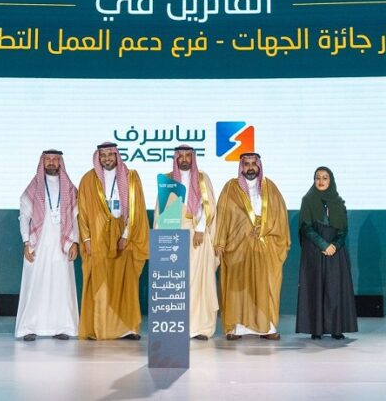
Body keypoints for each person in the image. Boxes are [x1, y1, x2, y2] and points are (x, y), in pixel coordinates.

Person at [215, 153, 290, 340]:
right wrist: (220, 242)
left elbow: (280, 216)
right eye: (246, 164)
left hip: (265, 246)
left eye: (253, 164)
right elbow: (222, 216)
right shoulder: (231, 188)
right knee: (237, 288)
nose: (250, 168)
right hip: (237, 247)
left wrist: (264, 228)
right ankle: (236, 329)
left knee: (266, 287)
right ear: (241, 167)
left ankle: (267, 328)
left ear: (259, 166)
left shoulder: (270, 188)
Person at [77, 142, 149, 340]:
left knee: (125, 283)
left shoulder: (131, 178)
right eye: (103, 155)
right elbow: (82, 212)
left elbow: (136, 209)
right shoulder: (88, 179)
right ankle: (100, 328)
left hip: (124, 237)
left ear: (117, 155)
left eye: (110, 154)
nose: (107, 158)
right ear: (98, 157)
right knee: (100, 283)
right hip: (98, 237)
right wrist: (86, 238)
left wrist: (126, 235)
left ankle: (127, 329)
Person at [154, 145, 219, 340]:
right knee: (175, 282)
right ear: (175, 158)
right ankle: (175, 325)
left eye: (187, 156)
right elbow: (161, 211)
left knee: (199, 283)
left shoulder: (202, 178)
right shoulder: (167, 180)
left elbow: (209, 207)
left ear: (193, 158)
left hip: (197, 235)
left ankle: (199, 328)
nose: (184, 159)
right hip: (173, 236)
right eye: (180, 156)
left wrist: (200, 230)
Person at [15, 149, 80, 341]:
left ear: (60, 162)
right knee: (35, 283)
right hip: (38, 243)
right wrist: (26, 241)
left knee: (61, 284)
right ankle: (28, 327)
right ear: (42, 163)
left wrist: (75, 242)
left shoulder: (70, 189)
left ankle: (62, 327)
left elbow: (76, 218)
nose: (51, 162)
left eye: (55, 159)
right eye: (48, 159)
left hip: (63, 242)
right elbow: (24, 216)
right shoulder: (34, 187)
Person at [296, 166, 358, 340]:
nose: (321, 181)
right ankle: (316, 329)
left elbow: (343, 230)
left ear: (331, 180)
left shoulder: (338, 202)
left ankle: (336, 328)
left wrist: (335, 246)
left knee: (335, 289)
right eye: (318, 177)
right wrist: (323, 245)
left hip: (335, 253)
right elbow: (306, 227)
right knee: (315, 288)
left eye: (325, 178)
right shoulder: (308, 200)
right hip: (315, 251)